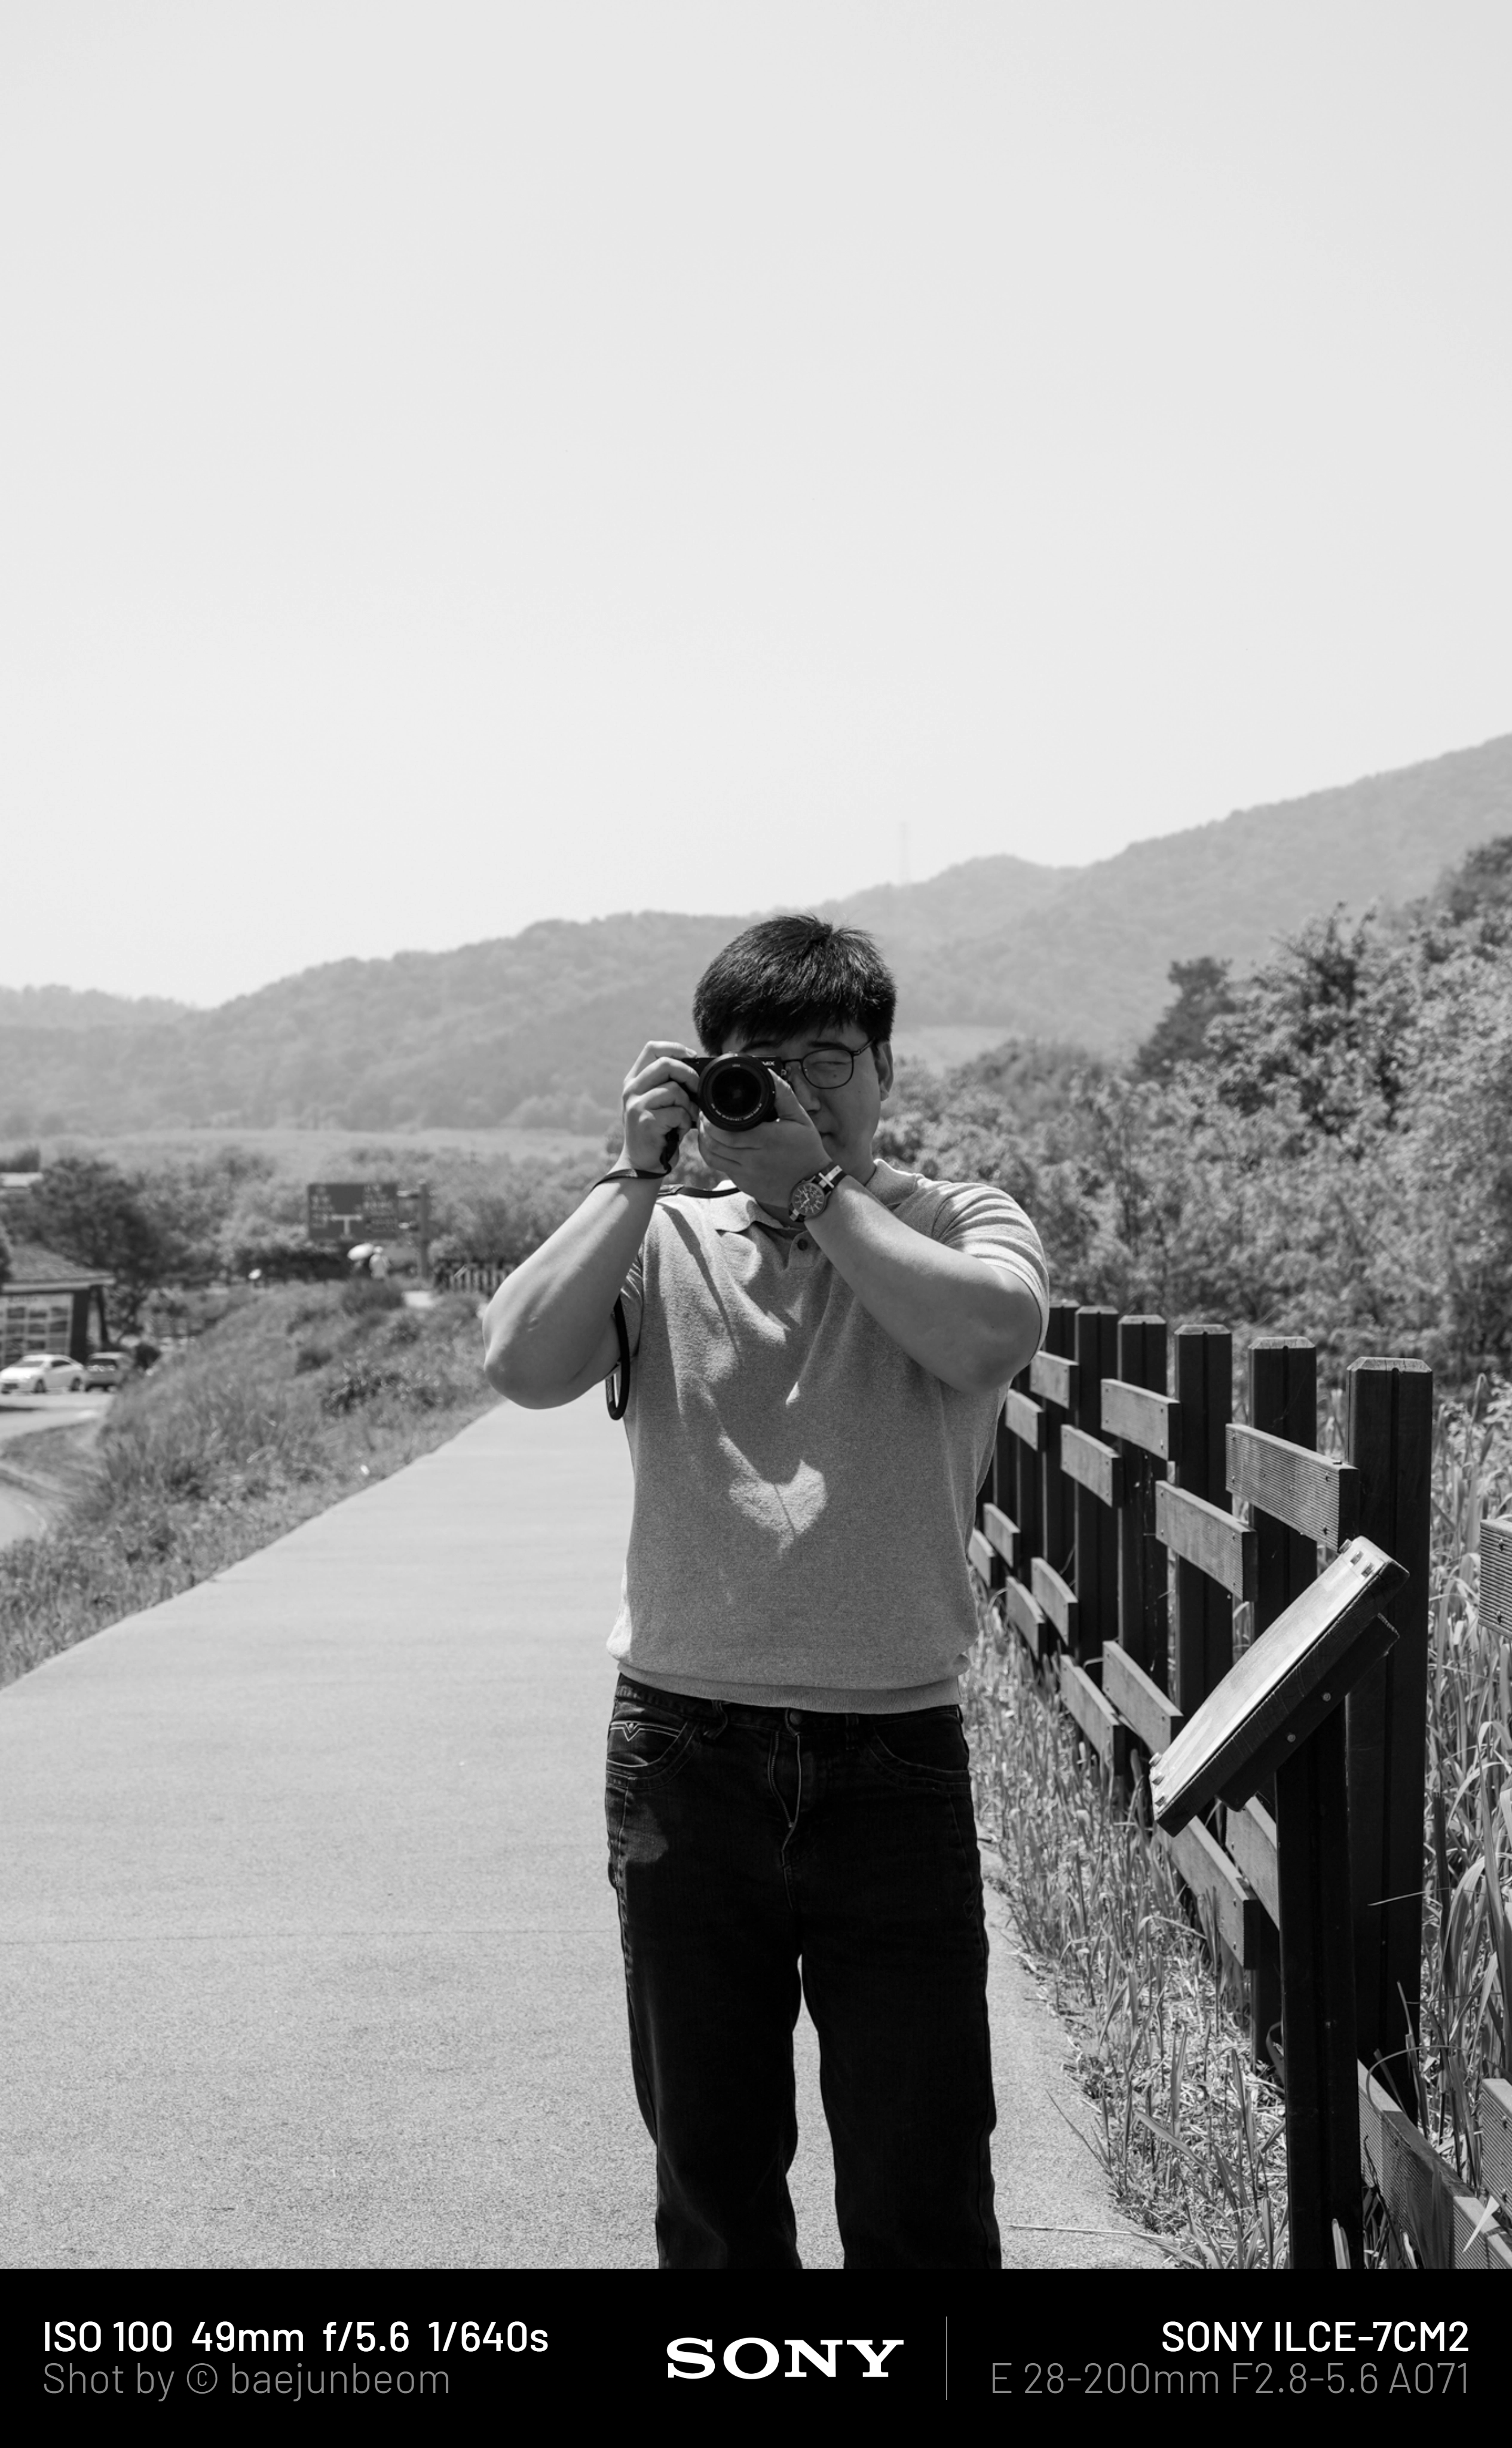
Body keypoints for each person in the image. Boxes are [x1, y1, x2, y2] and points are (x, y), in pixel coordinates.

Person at [482, 916, 1048, 2268]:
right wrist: (634, 1171)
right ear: (705, 1080)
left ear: (886, 1069)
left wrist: (818, 1191)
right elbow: (520, 1361)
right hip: (684, 1750)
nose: (798, 1092)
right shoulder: (662, 1236)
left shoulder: (956, 1218)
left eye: (829, 1060)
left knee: (922, 2175)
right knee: (713, 2172)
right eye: (761, 1068)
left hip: (892, 1752)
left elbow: (989, 1338)